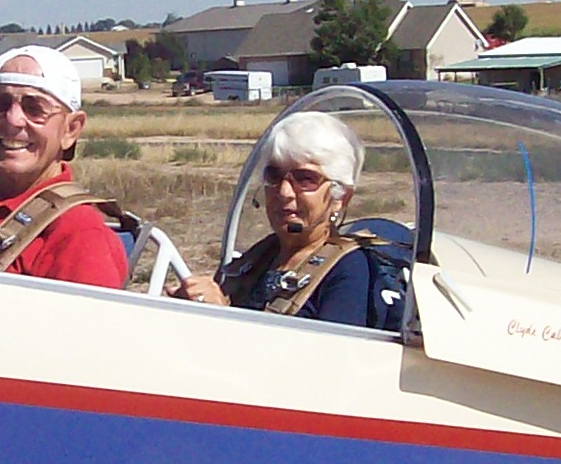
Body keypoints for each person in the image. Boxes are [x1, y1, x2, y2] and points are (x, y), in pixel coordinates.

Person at [171, 111, 408, 331]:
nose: (284, 192)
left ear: (340, 197)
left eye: (305, 179)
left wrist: (224, 318)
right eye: (274, 175)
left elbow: (330, 367)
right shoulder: (261, 257)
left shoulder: (349, 270)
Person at [0, 46, 130, 288]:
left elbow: (91, 325)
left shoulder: (79, 234)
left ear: (71, 130)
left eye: (34, 108)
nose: (13, 119)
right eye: (0, 104)